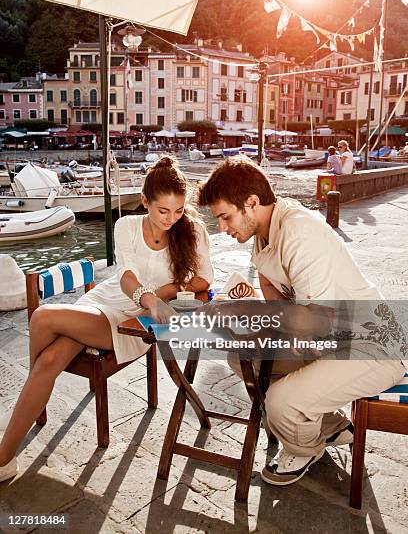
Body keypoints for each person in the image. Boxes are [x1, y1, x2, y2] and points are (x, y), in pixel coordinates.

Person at [0, 156, 213, 483]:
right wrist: (152, 297)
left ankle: (32, 402)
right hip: (107, 301)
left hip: (134, 320)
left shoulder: (193, 230)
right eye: (162, 211)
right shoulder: (126, 225)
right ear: (145, 202)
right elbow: (125, 277)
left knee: (42, 317)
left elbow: (204, 279)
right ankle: (6, 457)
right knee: (50, 359)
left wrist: (167, 290)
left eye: (179, 210)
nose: (172, 219)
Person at [197, 156, 406, 487]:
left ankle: (306, 447)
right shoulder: (264, 232)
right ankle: (329, 423)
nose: (222, 228)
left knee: (281, 402)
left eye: (225, 217)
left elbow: (312, 322)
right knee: (242, 359)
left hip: (374, 344)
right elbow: (269, 285)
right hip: (327, 340)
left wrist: (246, 314)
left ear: (251, 202)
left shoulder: (299, 232)